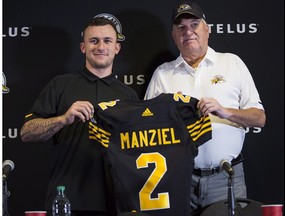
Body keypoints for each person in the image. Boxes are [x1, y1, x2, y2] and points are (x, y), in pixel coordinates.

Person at [144, 1, 266, 215]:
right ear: (174, 35)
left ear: (207, 29)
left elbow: (259, 118)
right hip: (178, 179)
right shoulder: (162, 74)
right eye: (181, 27)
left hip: (226, 177)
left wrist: (224, 111)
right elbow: (146, 127)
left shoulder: (231, 63)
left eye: (194, 24)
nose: (188, 32)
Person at [20, 16, 139, 216]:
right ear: (83, 47)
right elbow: (26, 132)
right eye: (94, 41)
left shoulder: (129, 95)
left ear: (116, 48)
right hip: (67, 200)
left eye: (107, 41)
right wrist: (62, 119)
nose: (100, 46)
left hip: (116, 201)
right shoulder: (60, 85)